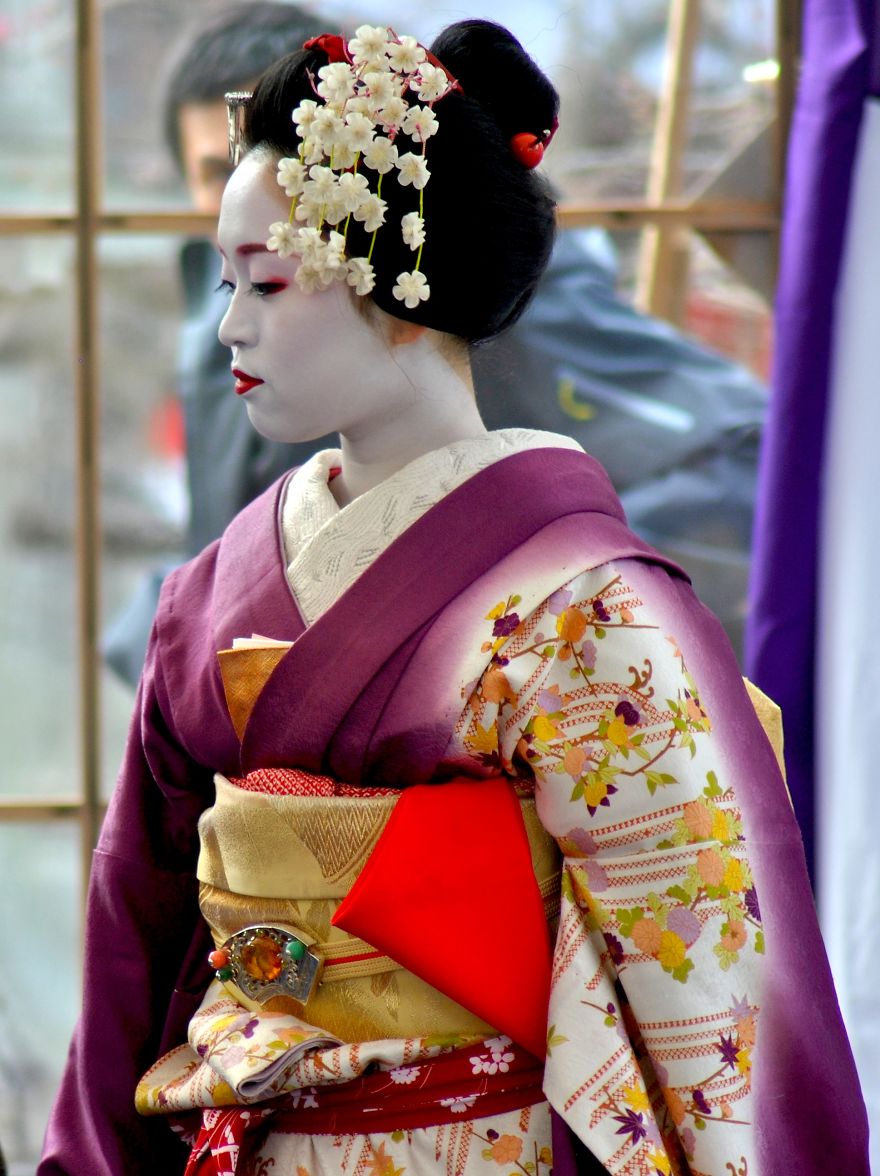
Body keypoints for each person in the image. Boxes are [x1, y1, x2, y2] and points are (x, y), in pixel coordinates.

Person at [43, 19, 866, 1176]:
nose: (230, 323)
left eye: (267, 282)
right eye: (225, 280)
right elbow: (134, 943)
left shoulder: (590, 611)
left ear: (399, 281)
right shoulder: (210, 593)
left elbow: (712, 997)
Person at [104, 2, 766, 687]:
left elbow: (737, 447)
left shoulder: (452, 287)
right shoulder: (220, 321)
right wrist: (168, 636)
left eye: (294, 161)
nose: (258, 192)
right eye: (220, 171)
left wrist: (528, 600)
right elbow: (228, 542)